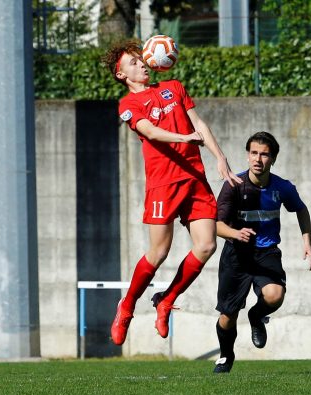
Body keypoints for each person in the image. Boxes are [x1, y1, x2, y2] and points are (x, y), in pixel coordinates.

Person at [102, 40, 242, 345]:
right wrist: (184, 138)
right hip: (163, 184)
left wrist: (220, 158)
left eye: (142, 60)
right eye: (133, 63)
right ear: (121, 74)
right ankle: (126, 307)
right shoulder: (128, 105)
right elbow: (150, 132)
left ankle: (166, 300)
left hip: (194, 179)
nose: (142, 64)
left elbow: (199, 123)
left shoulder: (174, 87)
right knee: (159, 253)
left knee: (206, 246)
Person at [213, 131, 311, 373]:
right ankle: (226, 356)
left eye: (264, 154)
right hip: (236, 255)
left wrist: (307, 242)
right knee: (228, 316)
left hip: (266, 252)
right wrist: (235, 233)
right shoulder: (232, 186)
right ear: (248, 156)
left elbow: (301, 210)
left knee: (274, 295)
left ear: (273, 159)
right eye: (254, 153)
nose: (258, 159)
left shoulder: (282, 187)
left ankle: (257, 317)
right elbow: (216, 225)